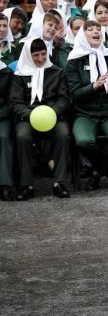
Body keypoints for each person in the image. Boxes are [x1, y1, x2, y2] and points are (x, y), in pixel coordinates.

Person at [65, 21, 108, 191]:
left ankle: (97, 173)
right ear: (82, 35)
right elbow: (74, 94)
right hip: (84, 113)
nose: (96, 31)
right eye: (90, 29)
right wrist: (93, 87)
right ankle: (107, 167)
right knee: (83, 141)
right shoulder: (74, 60)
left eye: (98, 29)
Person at [10, 38, 71, 200]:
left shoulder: (57, 72)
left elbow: (64, 99)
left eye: (43, 54)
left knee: (63, 134)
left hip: (53, 115)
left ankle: (59, 182)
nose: (41, 58)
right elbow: (15, 102)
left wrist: (52, 113)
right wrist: (31, 115)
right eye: (36, 55)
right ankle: (26, 184)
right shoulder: (20, 75)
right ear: (28, 56)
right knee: (22, 136)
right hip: (28, 117)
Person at [0, 48, 11, 200]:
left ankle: (5, 184)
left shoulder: (6, 72)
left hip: (2, 116)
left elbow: (11, 102)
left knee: (4, 137)